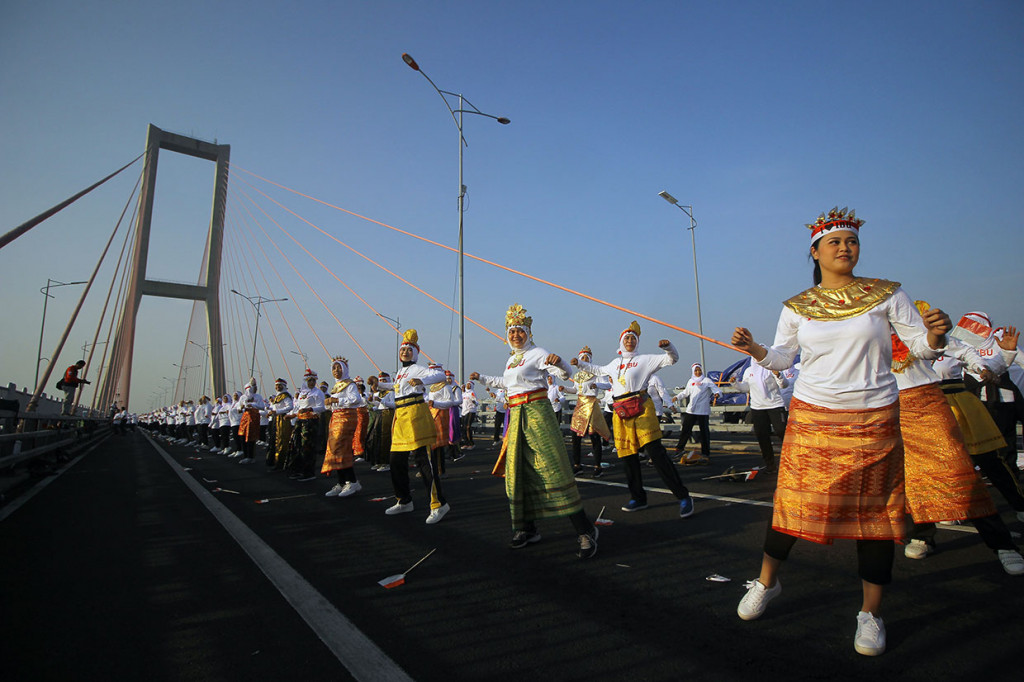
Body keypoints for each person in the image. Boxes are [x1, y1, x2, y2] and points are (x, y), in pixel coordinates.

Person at [730, 206, 951, 657]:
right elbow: (782, 359)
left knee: (876, 518)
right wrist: (755, 349)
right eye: (834, 242)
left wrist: (936, 337)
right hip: (813, 417)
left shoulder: (887, 294)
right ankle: (767, 583)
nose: (844, 248)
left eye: (851, 241)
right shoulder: (797, 307)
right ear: (815, 252)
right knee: (792, 505)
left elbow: (920, 350)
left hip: (875, 418)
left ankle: (871, 614)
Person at [891, 313, 1024, 575]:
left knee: (965, 473)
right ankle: (923, 536)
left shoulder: (922, 336)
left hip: (936, 406)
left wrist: (989, 364)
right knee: (914, 479)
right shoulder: (865, 344)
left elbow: (968, 355)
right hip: (897, 412)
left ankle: (1003, 544)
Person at [471, 303, 599, 558]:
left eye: (520, 331)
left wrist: (560, 362)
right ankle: (526, 529)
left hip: (537, 413)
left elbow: (565, 374)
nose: (515, 335)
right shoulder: (511, 360)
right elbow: (507, 384)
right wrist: (482, 378)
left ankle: (585, 530)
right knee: (518, 472)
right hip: (516, 416)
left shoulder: (539, 352)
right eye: (511, 331)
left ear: (528, 332)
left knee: (554, 469)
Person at [574, 320, 696, 517]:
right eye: (626, 338)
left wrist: (668, 348)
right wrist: (580, 363)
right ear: (621, 341)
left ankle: (683, 496)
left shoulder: (645, 360)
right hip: (620, 412)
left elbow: (672, 360)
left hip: (641, 409)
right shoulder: (615, 363)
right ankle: (638, 497)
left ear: (637, 342)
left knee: (656, 453)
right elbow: (598, 370)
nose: (630, 340)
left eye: (633, 338)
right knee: (628, 455)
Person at [387, 329, 451, 524]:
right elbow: (396, 389)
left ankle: (439, 504)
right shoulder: (400, 373)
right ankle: (404, 500)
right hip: (401, 418)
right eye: (402, 349)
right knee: (396, 461)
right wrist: (379, 386)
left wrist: (422, 380)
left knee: (424, 461)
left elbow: (440, 376)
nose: (405, 352)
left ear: (415, 353)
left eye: (408, 349)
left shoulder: (418, 369)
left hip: (415, 415)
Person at [731, 356, 789, 471]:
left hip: (775, 405)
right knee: (762, 436)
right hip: (757, 408)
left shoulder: (772, 367)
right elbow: (745, 388)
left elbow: (784, 385)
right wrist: (735, 384)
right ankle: (770, 465)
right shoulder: (749, 371)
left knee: (782, 431)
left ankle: (791, 460)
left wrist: (778, 375)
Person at [563, 346, 612, 477]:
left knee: (594, 436)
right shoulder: (577, 375)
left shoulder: (596, 373)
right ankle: (577, 465)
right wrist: (565, 389)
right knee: (575, 437)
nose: (584, 360)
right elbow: (575, 390)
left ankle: (597, 466)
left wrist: (598, 385)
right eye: (582, 358)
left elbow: (608, 385)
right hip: (580, 405)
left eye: (586, 358)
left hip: (591, 405)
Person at [322, 357, 366, 498]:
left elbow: (356, 399)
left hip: (346, 418)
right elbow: (332, 405)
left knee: (341, 447)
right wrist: (329, 403)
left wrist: (336, 400)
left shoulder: (349, 384)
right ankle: (342, 481)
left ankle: (352, 481)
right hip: (336, 418)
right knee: (335, 450)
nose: (336, 370)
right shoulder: (336, 386)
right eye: (334, 368)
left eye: (339, 367)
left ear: (345, 369)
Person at [674, 363, 722, 465]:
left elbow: (715, 389)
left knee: (704, 432)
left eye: (699, 370)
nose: (698, 372)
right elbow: (685, 393)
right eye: (695, 371)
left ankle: (705, 452)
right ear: (693, 372)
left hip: (702, 410)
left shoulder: (706, 381)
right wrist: (677, 397)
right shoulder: (691, 381)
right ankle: (679, 449)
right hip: (691, 410)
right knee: (686, 430)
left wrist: (717, 394)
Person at [288, 369, 326, 481]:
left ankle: (309, 473)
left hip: (310, 422)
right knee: (297, 446)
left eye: (314, 380)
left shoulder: (318, 393)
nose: (312, 383)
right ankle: (298, 470)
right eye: (310, 380)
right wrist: (293, 415)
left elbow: (322, 408)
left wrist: (311, 408)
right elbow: (299, 408)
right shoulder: (302, 394)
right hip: (300, 421)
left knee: (308, 447)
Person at [366, 372, 395, 472]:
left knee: (386, 438)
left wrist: (381, 401)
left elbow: (394, 405)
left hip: (388, 414)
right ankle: (379, 461)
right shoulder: (380, 393)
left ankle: (386, 462)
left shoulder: (391, 392)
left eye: (384, 381)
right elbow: (379, 405)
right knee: (377, 438)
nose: (382, 383)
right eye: (380, 381)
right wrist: (373, 401)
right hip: (380, 414)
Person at [267, 379, 293, 470]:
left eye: (279, 385)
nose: (278, 387)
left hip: (283, 419)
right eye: (277, 385)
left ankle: (280, 463)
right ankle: (275, 461)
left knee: (281, 440)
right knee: (274, 440)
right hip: (276, 419)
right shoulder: (278, 396)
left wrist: (277, 411)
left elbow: (290, 407)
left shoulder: (285, 396)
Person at [461, 381, 479, 449]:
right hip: (464, 411)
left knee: (468, 427)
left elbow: (476, 402)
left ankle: (471, 443)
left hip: (470, 411)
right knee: (463, 427)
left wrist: (474, 402)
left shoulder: (472, 393)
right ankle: (466, 442)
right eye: (467, 384)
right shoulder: (464, 394)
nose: (468, 385)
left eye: (469, 385)